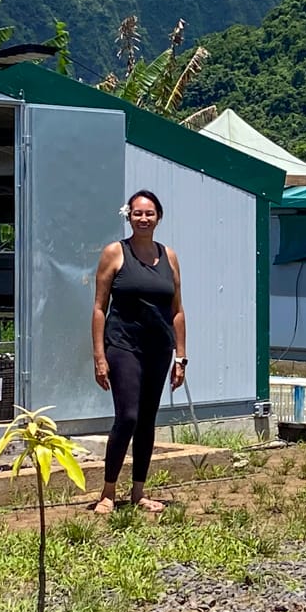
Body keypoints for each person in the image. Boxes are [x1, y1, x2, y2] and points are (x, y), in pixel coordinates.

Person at [90, 189, 187, 513]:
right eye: (137, 213)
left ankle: (139, 491)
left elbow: (177, 310)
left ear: (159, 217)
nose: (143, 219)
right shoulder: (115, 253)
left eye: (149, 213)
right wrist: (99, 356)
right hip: (123, 346)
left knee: (147, 420)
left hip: (159, 348)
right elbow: (100, 307)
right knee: (128, 416)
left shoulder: (169, 256)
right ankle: (107, 491)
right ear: (128, 216)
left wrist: (180, 356)